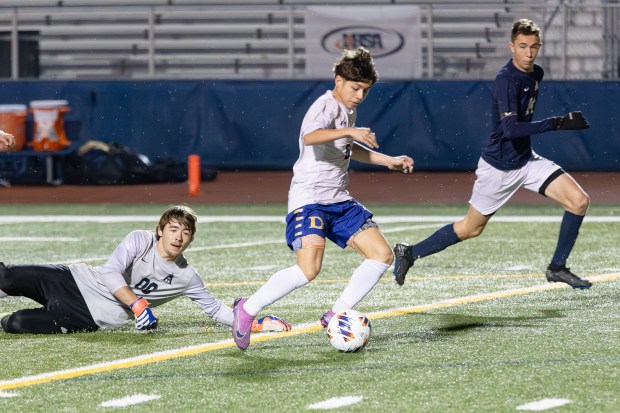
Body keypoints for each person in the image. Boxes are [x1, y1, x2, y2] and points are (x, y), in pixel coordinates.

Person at [231, 47, 414, 350]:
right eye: (355, 88)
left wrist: (388, 161)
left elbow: (345, 147)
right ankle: (247, 310)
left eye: (365, 91)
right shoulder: (325, 105)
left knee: (381, 255)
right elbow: (311, 136)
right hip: (310, 198)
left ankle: (336, 312)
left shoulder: (348, 112)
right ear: (338, 79)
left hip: (338, 200)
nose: (359, 95)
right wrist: (351, 130)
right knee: (308, 270)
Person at [393, 19, 592, 290]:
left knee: (579, 201)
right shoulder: (506, 79)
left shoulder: (536, 73)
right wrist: (558, 123)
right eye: (522, 46)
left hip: (526, 160)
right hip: (498, 168)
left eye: (534, 47)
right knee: (470, 228)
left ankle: (557, 267)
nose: (528, 53)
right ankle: (410, 252)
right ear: (511, 46)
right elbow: (510, 129)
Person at [0, 205, 291, 334]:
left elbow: (215, 310)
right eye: (173, 229)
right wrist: (138, 305)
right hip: (73, 280)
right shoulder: (140, 239)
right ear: (160, 231)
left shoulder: (187, 276)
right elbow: (111, 272)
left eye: (185, 233)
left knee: (16, 323)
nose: (178, 236)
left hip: (92, 315)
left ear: (191, 239)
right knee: (6, 276)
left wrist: (252, 323)